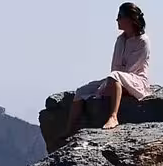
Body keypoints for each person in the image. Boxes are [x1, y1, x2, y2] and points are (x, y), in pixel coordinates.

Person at [65, 3, 152, 136]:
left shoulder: (142, 41)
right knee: (81, 91)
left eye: (120, 16)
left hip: (136, 80)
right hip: (117, 79)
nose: (117, 20)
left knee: (115, 76)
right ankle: (69, 130)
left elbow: (132, 69)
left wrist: (112, 82)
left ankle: (113, 117)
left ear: (130, 19)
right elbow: (115, 66)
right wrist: (108, 85)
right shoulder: (120, 40)